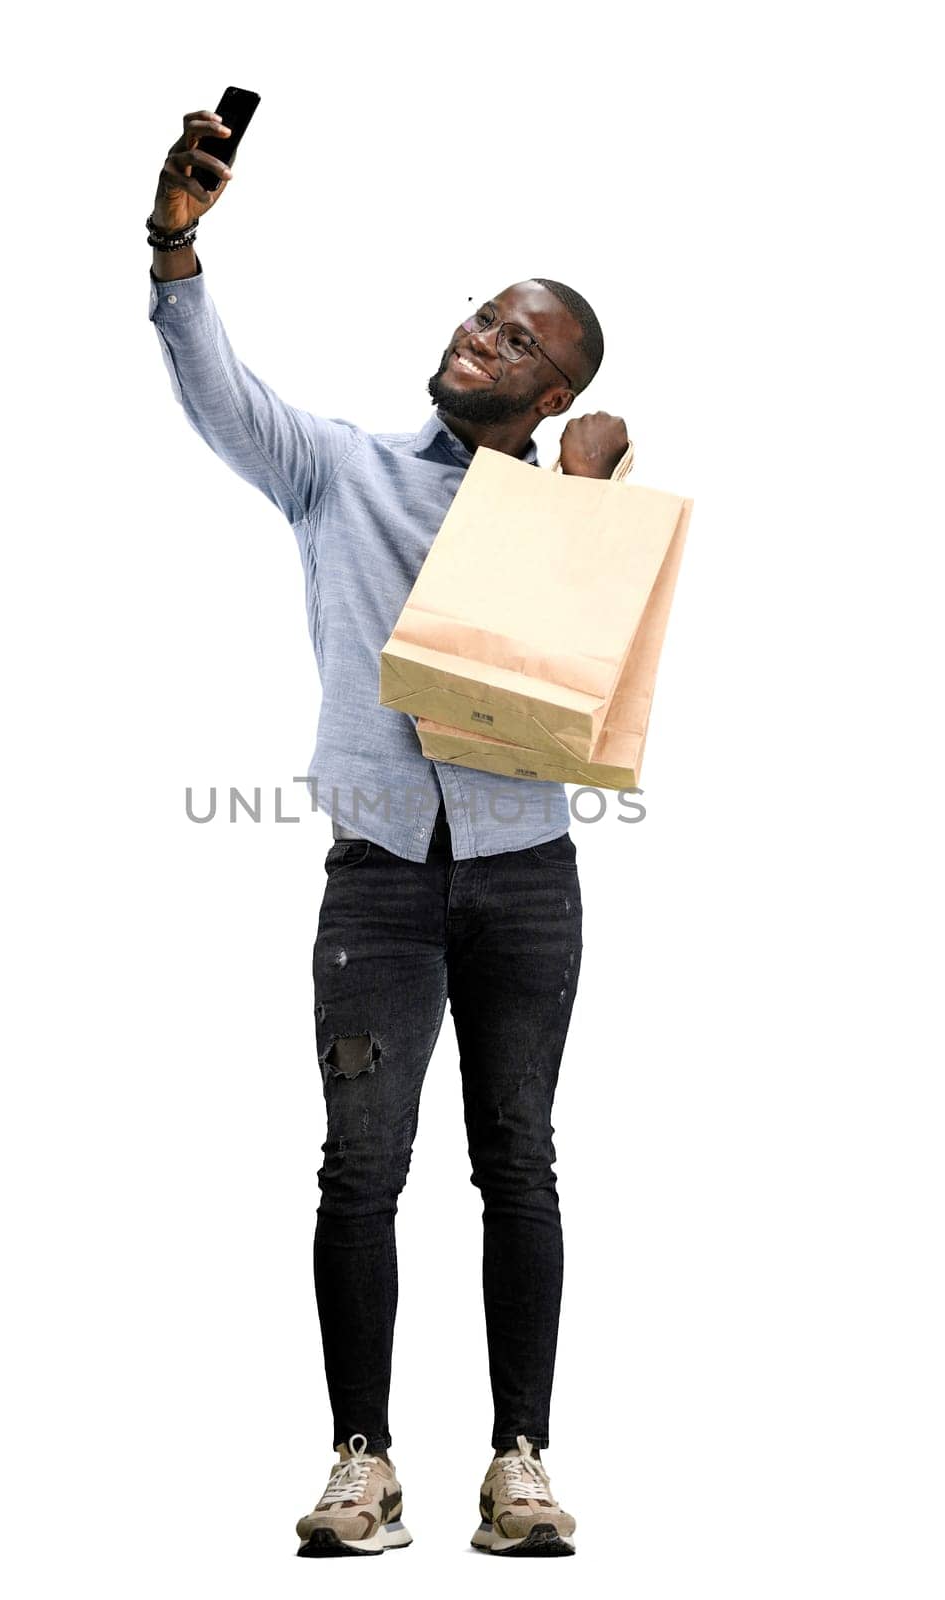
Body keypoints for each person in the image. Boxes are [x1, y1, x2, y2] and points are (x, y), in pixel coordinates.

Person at [147, 107, 629, 1559]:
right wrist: (176, 247)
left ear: (553, 392)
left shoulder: (570, 515)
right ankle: (364, 1463)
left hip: (527, 879)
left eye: (518, 339)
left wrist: (587, 514)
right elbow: (220, 392)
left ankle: (521, 1462)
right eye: (483, 313)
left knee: (520, 1160)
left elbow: (588, 701)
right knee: (361, 1169)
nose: (482, 336)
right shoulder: (338, 471)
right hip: (378, 885)